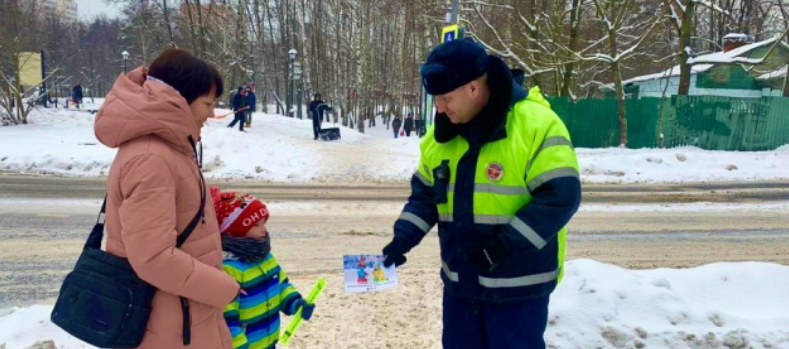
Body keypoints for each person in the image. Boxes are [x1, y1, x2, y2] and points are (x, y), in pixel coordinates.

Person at [380, 38, 581, 349]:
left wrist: (500, 248)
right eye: (435, 100)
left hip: (519, 290)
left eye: (446, 98)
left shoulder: (537, 125)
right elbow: (424, 197)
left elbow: (559, 198)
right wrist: (401, 239)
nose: (440, 109)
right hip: (461, 287)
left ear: (473, 88)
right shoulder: (440, 136)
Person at [94, 48, 240, 349]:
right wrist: (224, 288)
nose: (211, 114)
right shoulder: (152, 157)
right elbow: (153, 258)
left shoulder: (169, 148)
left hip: (183, 312)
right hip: (169, 323)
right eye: (207, 103)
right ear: (178, 99)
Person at [211, 188, 316, 349]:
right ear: (235, 231)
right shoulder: (229, 269)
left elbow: (280, 286)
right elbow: (227, 315)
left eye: (263, 223)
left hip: (269, 341)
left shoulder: (265, 257)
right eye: (256, 225)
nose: (263, 230)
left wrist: (295, 302)